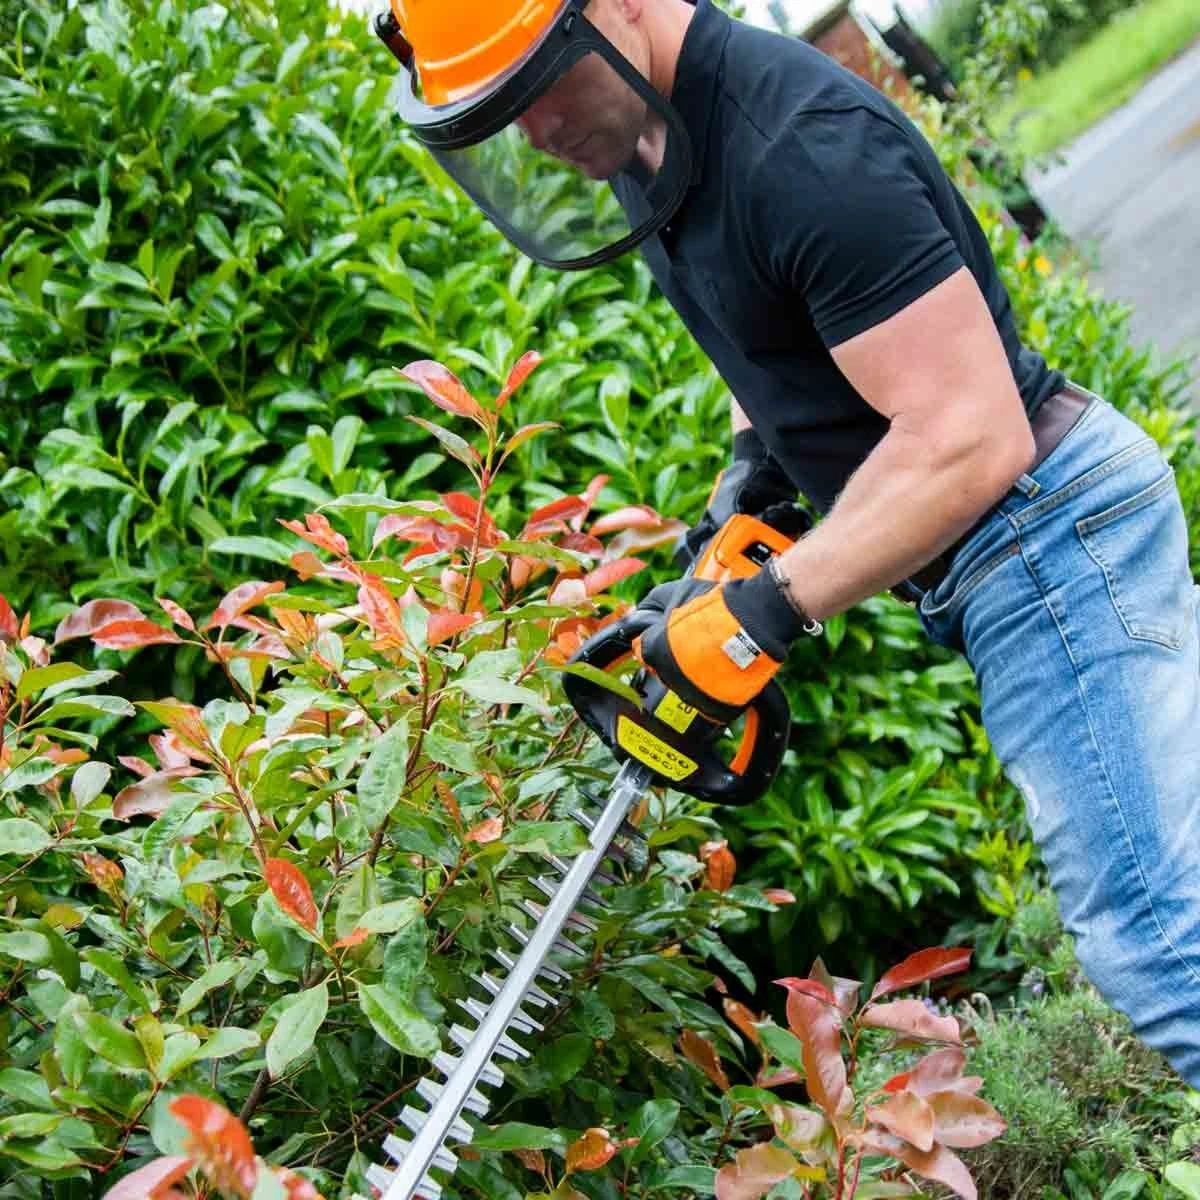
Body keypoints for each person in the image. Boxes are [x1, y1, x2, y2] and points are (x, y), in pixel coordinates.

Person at [376, 0, 1200, 1083]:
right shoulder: (656, 141)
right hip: (1018, 548)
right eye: (502, 112)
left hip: (1049, 540)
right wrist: (746, 497)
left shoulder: (799, 149)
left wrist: (765, 612)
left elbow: (970, 434)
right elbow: (767, 341)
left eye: (538, 87)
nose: (533, 131)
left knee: (1160, 948)